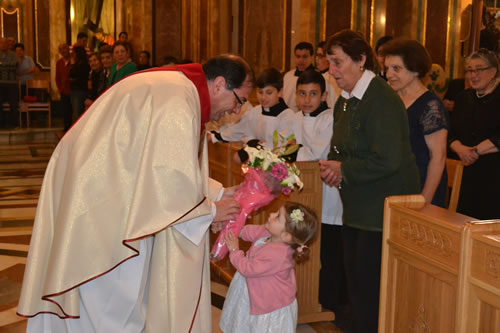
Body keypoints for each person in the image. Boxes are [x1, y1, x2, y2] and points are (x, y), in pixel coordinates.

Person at [17, 54, 254, 332]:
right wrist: (211, 211)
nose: (236, 112)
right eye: (239, 101)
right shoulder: (180, 99)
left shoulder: (180, 90)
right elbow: (167, 177)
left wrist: (219, 193)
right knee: (112, 293)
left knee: (115, 291)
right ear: (220, 84)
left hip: (109, 189)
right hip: (101, 200)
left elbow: (172, 163)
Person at [319, 29, 420, 333]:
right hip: (356, 206)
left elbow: (388, 159)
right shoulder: (346, 101)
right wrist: (334, 166)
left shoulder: (381, 99)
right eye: (330, 63)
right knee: (356, 285)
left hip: (381, 208)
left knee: (370, 288)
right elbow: (341, 145)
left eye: (337, 63)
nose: (332, 71)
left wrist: (344, 169)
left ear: (361, 59)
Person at [219, 202, 318, 333]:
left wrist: (234, 250)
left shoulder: (278, 255)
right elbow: (247, 231)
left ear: (286, 236)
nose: (271, 215)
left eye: (277, 217)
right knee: (243, 322)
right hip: (253, 291)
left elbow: (248, 269)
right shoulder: (268, 233)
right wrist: (235, 225)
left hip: (268, 305)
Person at [384, 39, 449, 207]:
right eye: (387, 68)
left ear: (415, 70)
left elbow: (438, 157)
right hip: (394, 187)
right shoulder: (391, 100)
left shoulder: (430, 106)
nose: (388, 74)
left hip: (421, 190)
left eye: (396, 68)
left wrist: (423, 201)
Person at [449, 48, 500, 220]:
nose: (473, 75)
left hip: (495, 173)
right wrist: (460, 149)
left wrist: (476, 151)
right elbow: (450, 131)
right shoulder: (464, 97)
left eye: (479, 69)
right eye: (470, 70)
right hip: (467, 171)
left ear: (493, 71)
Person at [211, 67, 292, 150]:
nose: (263, 97)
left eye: (269, 92)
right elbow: (240, 130)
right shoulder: (255, 111)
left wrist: (257, 145)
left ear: (280, 92)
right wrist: (216, 136)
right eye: (260, 92)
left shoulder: (288, 116)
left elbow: (281, 145)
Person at [283, 42, 315, 111]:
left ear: (312, 57)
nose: (301, 60)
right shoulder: (288, 76)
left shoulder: (318, 77)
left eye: (304, 56)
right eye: (298, 56)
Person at [316, 41, 341, 113]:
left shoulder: (333, 77)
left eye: (320, 56)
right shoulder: (318, 76)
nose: (317, 59)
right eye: (316, 55)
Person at [0, 36, 19, 128]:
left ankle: (14, 124)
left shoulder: (13, 54)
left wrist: (2, 64)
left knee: (14, 104)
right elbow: (10, 66)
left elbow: (14, 66)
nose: (3, 45)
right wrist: (7, 66)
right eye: (1, 43)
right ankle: (1, 123)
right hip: (0, 83)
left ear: (8, 45)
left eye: (5, 43)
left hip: (12, 83)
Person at [69, 46, 90, 121]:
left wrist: (72, 64)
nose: (72, 55)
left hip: (79, 90)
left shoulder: (83, 64)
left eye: (74, 53)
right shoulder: (78, 63)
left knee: (78, 114)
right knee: (75, 113)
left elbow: (73, 75)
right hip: (75, 90)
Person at [56, 43, 73, 132]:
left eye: (64, 48)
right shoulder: (59, 63)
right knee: (65, 111)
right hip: (64, 91)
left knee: (74, 110)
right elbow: (57, 78)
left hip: (73, 90)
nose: (63, 51)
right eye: (61, 49)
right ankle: (66, 129)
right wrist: (60, 89)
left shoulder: (73, 60)